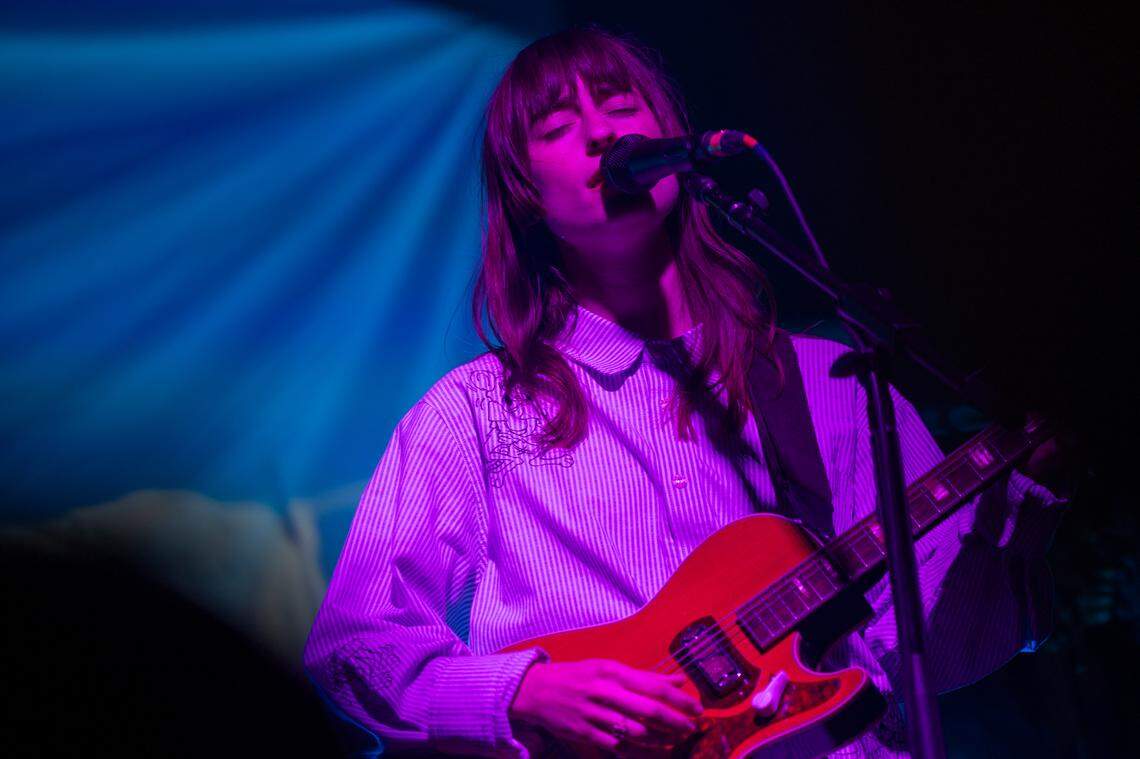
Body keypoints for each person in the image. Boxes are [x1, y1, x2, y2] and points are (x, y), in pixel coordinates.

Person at [303, 26, 1070, 758]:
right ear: (527, 192)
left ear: (674, 139)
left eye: (620, 103)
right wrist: (523, 693)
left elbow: (944, 654)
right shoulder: (476, 412)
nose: (602, 133)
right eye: (558, 125)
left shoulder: (832, 383)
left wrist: (1024, 508)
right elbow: (352, 647)